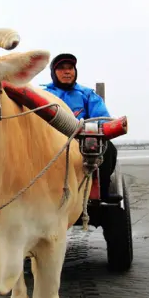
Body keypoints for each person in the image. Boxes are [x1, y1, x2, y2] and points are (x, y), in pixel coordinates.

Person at [42, 53, 119, 201]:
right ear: (53, 72)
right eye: (61, 68)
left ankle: (103, 191)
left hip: (83, 142)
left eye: (70, 68)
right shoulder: (44, 95)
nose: (67, 71)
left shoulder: (87, 94)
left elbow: (102, 119)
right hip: (50, 142)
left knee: (108, 148)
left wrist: (90, 131)